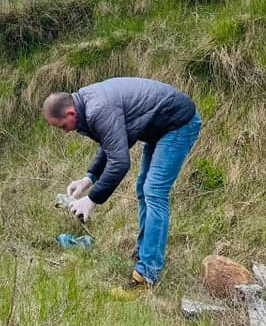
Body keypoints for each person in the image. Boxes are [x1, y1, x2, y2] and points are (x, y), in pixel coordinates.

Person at [42, 77, 201, 297]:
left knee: (154, 192)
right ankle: (146, 252)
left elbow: (120, 162)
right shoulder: (88, 105)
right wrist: (88, 179)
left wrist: (92, 200)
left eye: (62, 126)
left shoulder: (97, 108)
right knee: (143, 188)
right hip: (159, 127)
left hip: (178, 124)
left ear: (70, 114)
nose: (65, 131)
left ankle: (147, 275)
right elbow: (112, 144)